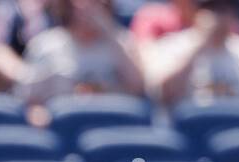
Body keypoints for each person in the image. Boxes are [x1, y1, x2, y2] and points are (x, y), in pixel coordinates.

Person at [147, 0, 239, 126]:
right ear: (196, 12)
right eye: (212, 9)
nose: (219, 16)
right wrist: (201, 44)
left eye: (225, 9)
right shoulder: (171, 46)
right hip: (190, 139)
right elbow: (163, 95)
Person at [17, 0, 146, 102]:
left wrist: (109, 29)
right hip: (63, 128)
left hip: (111, 128)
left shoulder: (121, 43)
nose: (85, 6)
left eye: (94, 2)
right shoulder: (45, 44)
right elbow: (28, 101)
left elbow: (138, 87)